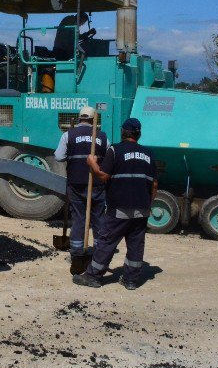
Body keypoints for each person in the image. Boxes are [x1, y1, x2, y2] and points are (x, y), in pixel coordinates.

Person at [74, 117, 156, 290]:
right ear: (139, 134)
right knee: (136, 244)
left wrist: (92, 164)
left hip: (119, 207)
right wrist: (148, 204)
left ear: (123, 132)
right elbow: (154, 184)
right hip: (142, 209)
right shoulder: (149, 154)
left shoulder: (115, 150)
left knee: (106, 241)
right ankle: (131, 280)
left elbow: (103, 176)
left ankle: (93, 276)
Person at [54, 106, 108, 262]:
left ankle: (77, 254)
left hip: (76, 184)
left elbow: (58, 157)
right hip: (97, 185)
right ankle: (99, 254)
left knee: (79, 219)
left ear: (79, 119)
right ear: (93, 120)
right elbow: (109, 158)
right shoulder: (103, 137)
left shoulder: (68, 135)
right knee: (98, 219)